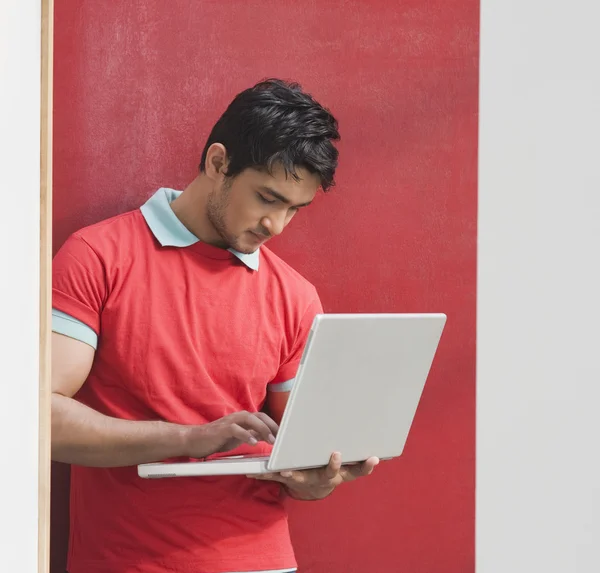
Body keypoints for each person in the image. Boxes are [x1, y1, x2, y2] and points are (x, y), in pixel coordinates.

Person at [51, 78, 378, 573]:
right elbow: (39, 420)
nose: (276, 226)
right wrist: (190, 438)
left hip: (262, 562)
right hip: (125, 561)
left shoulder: (295, 296)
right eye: (267, 198)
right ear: (217, 162)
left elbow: (301, 455)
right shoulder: (98, 257)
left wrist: (317, 480)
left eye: (294, 209)